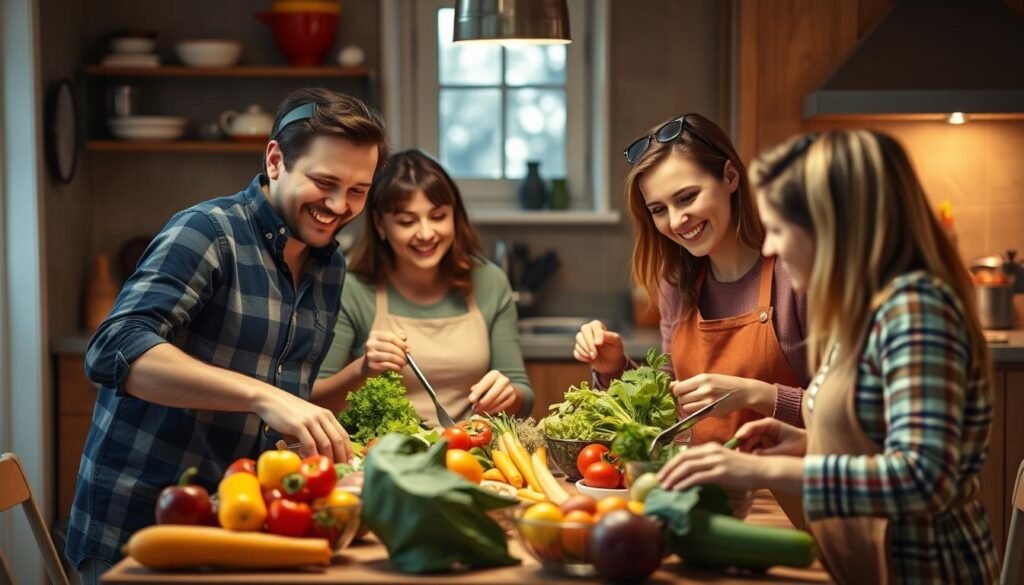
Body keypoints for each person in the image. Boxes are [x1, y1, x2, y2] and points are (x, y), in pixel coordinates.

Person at [66, 88, 388, 584]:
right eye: (324, 182)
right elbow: (114, 347)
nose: (339, 205)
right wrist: (262, 396)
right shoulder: (208, 233)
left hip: (240, 527)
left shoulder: (329, 265)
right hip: (141, 530)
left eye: (358, 191)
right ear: (276, 159)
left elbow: (287, 405)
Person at [658, 130, 1000, 583]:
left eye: (779, 229)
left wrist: (763, 469)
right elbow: (874, 440)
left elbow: (924, 478)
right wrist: (800, 443)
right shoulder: (865, 310)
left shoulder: (916, 309)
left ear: (831, 224)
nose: (770, 247)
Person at [574, 113, 809, 444]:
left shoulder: (795, 276)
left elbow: (850, 416)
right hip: (703, 487)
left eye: (687, 197)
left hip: (787, 490)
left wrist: (756, 394)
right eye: (658, 209)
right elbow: (672, 409)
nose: (676, 221)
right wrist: (613, 368)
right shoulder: (676, 285)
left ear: (730, 177)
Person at [314, 150, 534, 425]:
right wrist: (363, 369)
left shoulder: (489, 281)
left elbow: (523, 394)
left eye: (438, 216)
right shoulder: (353, 288)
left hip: (471, 452)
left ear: (455, 216)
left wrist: (509, 396)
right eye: (407, 221)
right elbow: (314, 402)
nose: (426, 233)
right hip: (382, 454)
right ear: (380, 224)